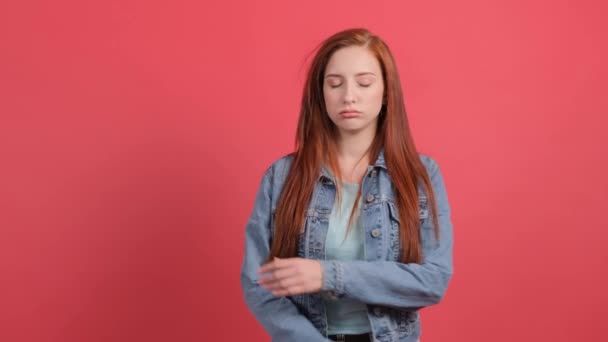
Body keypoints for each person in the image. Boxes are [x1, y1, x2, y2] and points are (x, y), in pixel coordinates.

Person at [240, 28, 454, 342]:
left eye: (364, 82)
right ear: (321, 93)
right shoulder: (281, 176)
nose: (348, 95)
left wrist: (328, 275)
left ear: (385, 92)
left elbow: (433, 280)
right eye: (335, 83)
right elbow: (259, 284)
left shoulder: (420, 174)